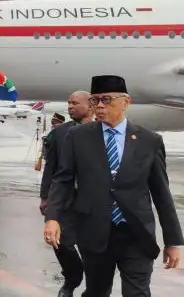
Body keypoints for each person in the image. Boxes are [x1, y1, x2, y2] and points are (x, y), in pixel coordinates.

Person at [45, 75, 183, 296]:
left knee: (137, 292)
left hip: (136, 233)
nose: (99, 106)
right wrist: (52, 217)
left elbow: (161, 193)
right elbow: (63, 179)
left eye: (106, 100)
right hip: (95, 232)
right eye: (95, 100)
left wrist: (173, 241)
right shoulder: (78, 137)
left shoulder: (149, 141)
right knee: (97, 291)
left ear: (125, 102)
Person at [39, 91, 92, 297]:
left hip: (92, 202)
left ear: (91, 105)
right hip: (65, 199)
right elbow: (50, 167)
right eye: (69, 103)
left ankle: (93, 284)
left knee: (92, 247)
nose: (70, 106)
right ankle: (72, 278)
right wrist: (45, 197)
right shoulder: (59, 133)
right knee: (61, 243)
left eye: (75, 103)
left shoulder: (103, 132)